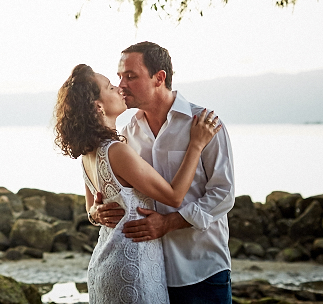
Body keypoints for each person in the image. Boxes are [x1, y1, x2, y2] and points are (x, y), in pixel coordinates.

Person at [54, 63, 222, 304]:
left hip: (104, 264)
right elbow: (174, 196)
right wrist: (196, 145)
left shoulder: (87, 153)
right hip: (132, 267)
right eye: (110, 87)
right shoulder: (117, 151)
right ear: (98, 106)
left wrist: (95, 214)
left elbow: (91, 209)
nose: (119, 89)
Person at [91, 42, 235, 304]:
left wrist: (169, 223)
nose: (121, 84)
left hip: (201, 269)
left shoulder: (204, 124)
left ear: (159, 78)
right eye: (119, 77)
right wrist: (96, 212)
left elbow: (223, 194)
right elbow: (104, 196)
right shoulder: (126, 136)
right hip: (147, 273)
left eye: (131, 77)